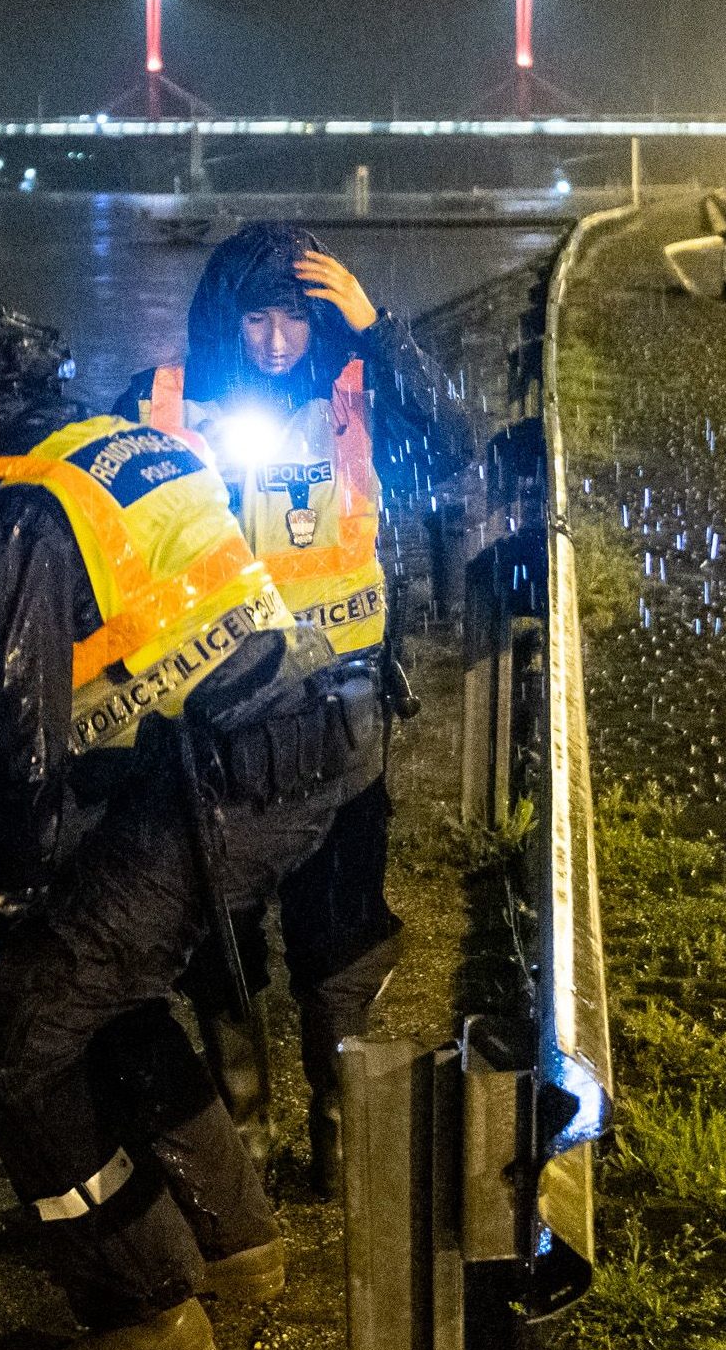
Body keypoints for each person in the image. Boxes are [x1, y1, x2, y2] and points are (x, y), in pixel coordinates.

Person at [0, 287, 384, 1350]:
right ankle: (239, 1238)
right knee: (106, 980)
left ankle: (151, 1317)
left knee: (11, 1036)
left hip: (226, 781)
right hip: (303, 749)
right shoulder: (113, 442)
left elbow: (15, 750)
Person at [115, 223, 471, 1195]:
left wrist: (377, 326)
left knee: (339, 934)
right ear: (223, 321)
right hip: (208, 741)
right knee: (219, 945)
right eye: (258, 319)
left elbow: (452, 442)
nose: (277, 342)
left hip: (342, 724)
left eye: (297, 320)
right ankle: (247, 1138)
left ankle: (341, 1134)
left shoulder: (358, 391)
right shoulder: (163, 404)